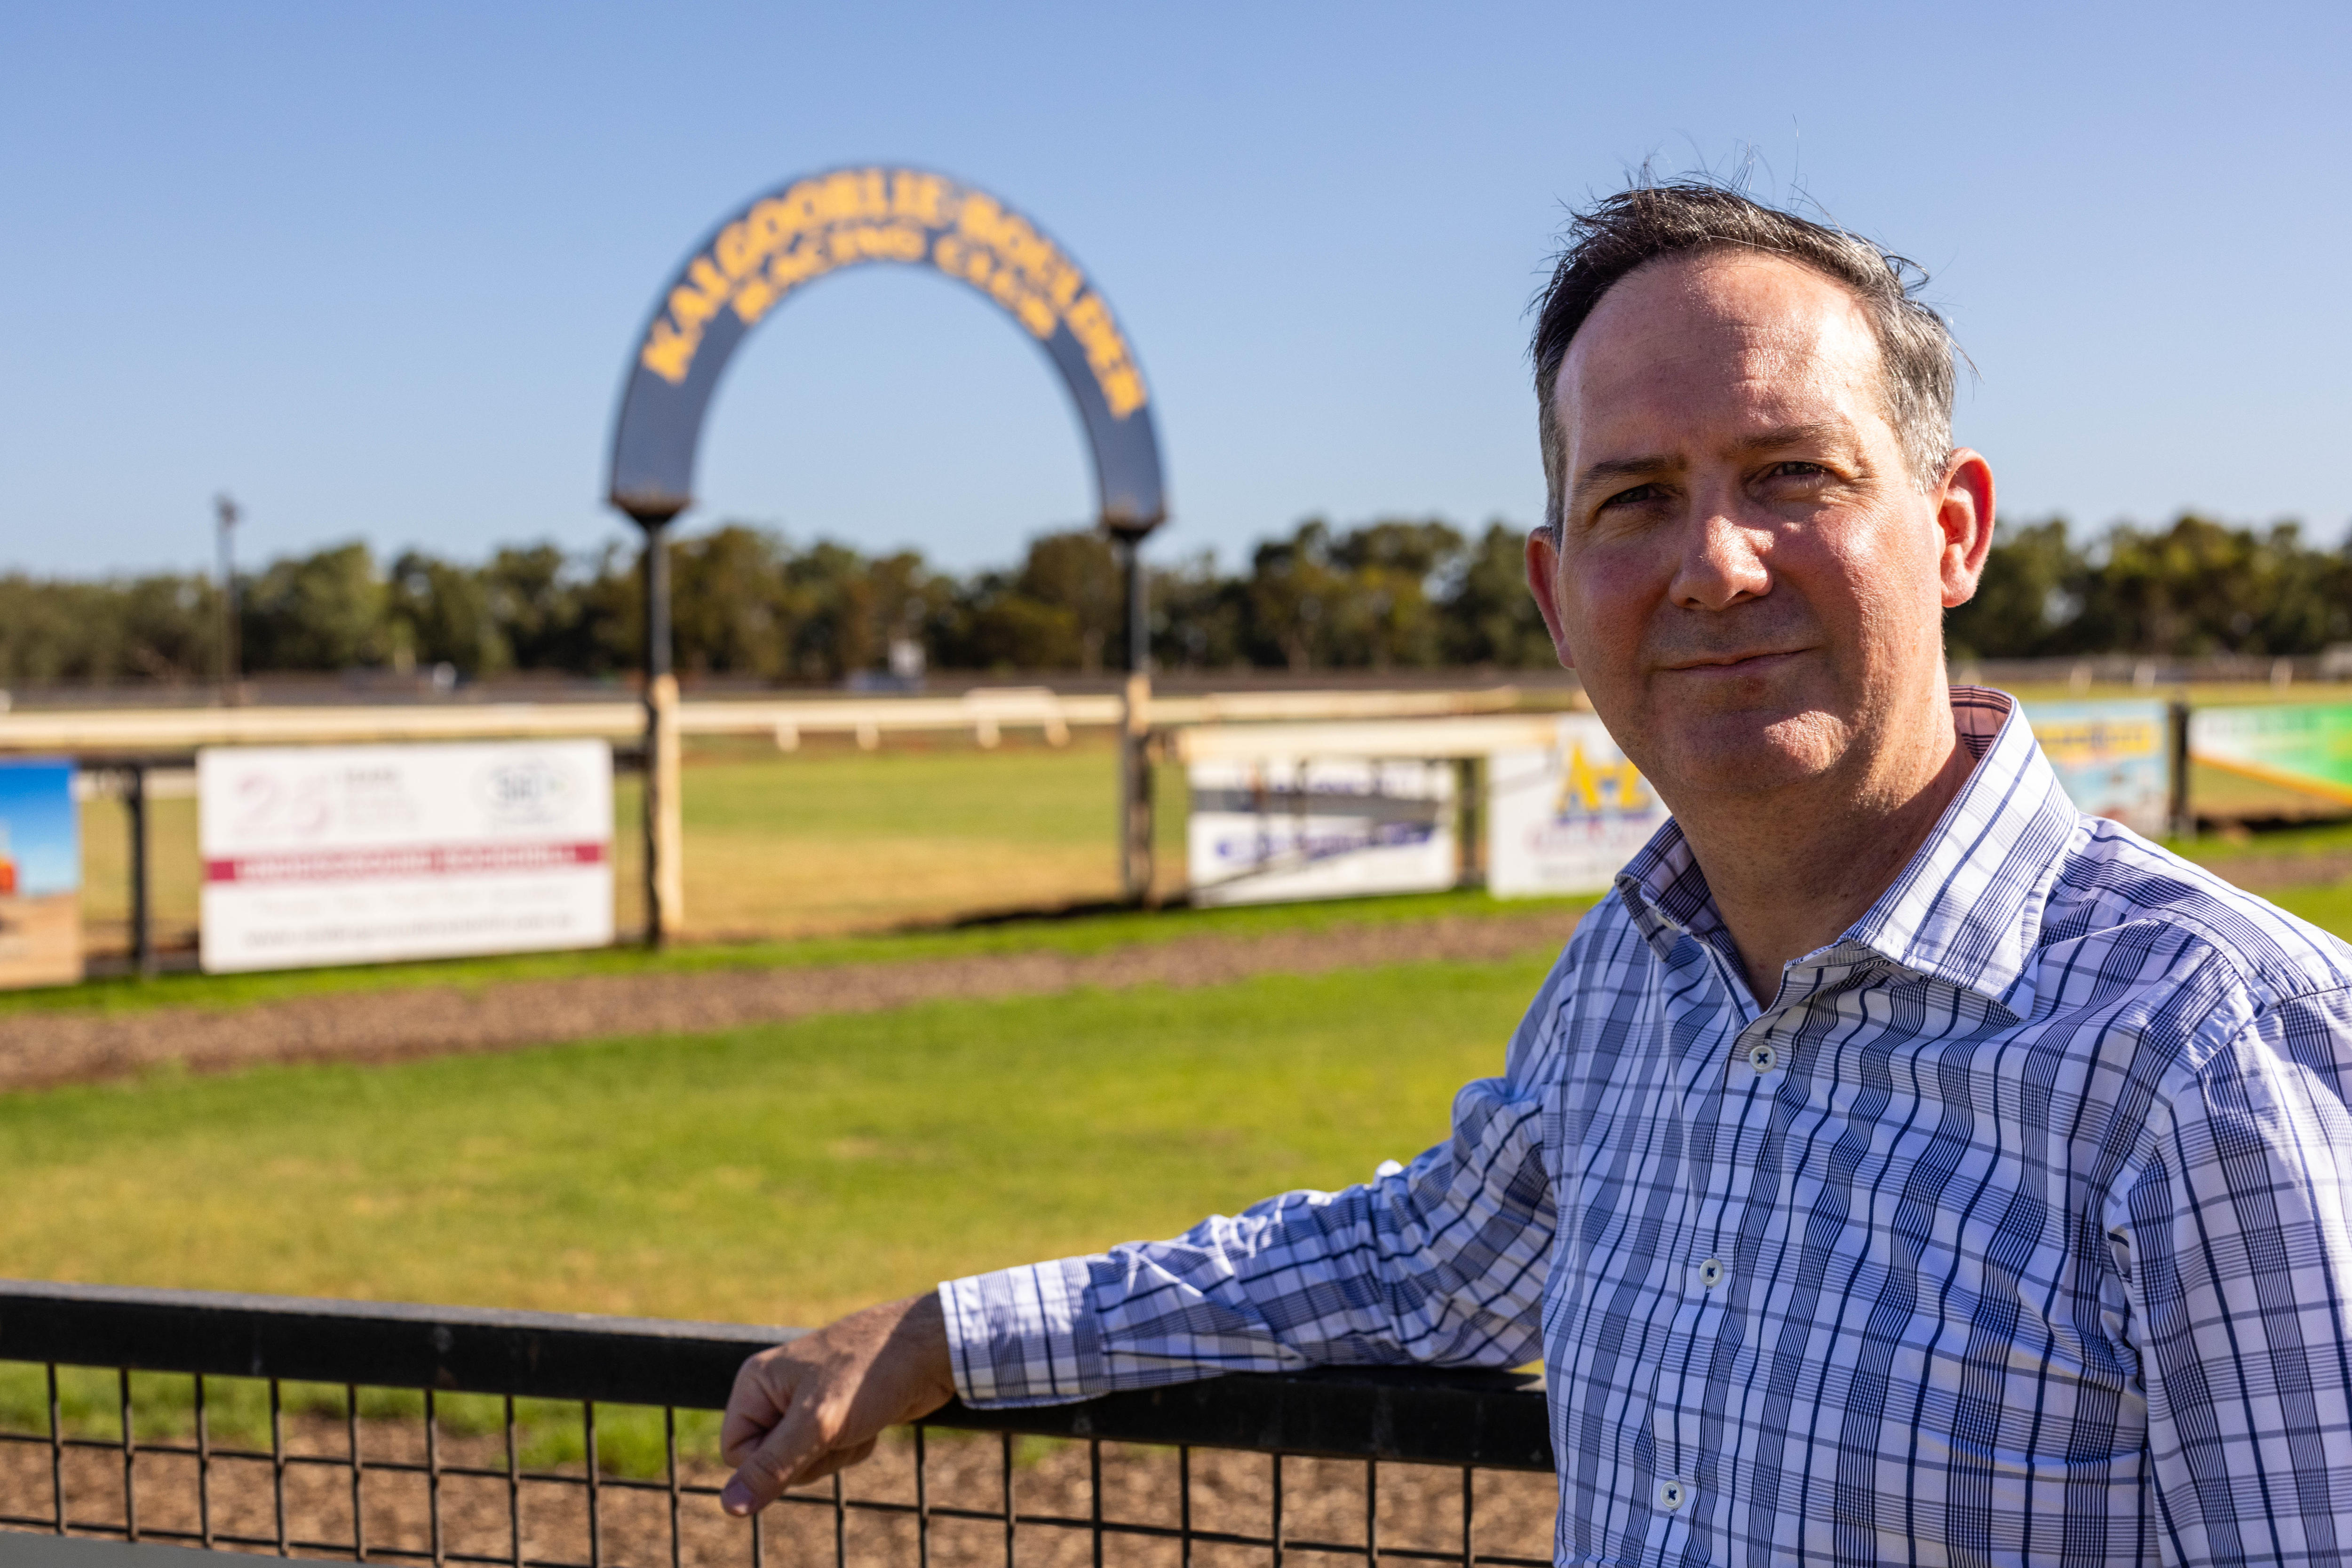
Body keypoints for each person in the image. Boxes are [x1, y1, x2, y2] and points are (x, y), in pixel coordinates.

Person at [716, 182, 2352, 1566]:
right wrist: (952, 1333)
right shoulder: (1637, 974)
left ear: (1954, 529)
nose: (1714, 563)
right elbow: (1415, 1258)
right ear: (1562, 598)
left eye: (1794, 473)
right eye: (1638, 496)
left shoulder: (2216, 1052)